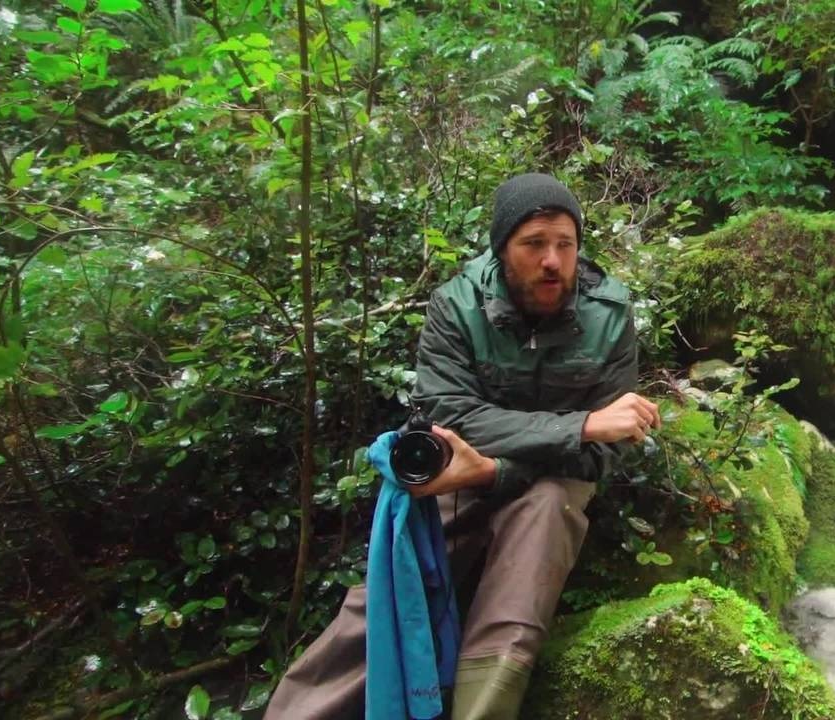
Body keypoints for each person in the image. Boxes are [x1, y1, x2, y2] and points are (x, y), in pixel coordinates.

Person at [265, 173, 662, 720]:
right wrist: (580, 425)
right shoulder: (456, 306)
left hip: (546, 482)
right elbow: (453, 416)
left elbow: (603, 451)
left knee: (540, 530)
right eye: (534, 244)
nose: (553, 261)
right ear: (502, 249)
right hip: (459, 478)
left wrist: (499, 470)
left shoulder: (609, 314)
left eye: (565, 244)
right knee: (390, 596)